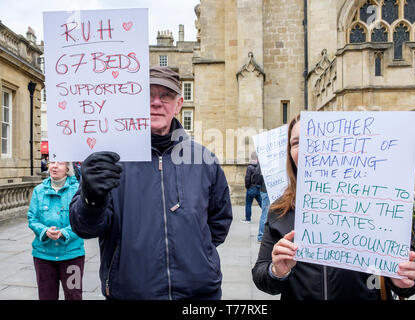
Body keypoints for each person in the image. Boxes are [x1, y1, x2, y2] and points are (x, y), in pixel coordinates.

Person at [69, 66, 233, 300]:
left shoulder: (204, 159)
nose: (156, 102)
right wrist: (91, 198)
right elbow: (83, 227)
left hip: (199, 295)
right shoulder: (113, 160)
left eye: (165, 95)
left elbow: (219, 222)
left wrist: (198, 257)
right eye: (148, 95)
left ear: (179, 104)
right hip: (131, 293)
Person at [252, 114, 415, 300]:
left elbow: (413, 274)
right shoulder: (280, 209)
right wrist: (277, 271)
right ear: (290, 153)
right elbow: (261, 275)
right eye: (296, 143)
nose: (307, 149)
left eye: (314, 140)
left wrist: (404, 279)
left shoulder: (378, 203)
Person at [28, 161, 85, 300]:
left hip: (72, 256)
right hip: (43, 256)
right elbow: (32, 218)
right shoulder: (38, 190)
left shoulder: (79, 190)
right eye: (52, 162)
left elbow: (83, 220)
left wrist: (64, 232)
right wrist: (44, 231)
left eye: (60, 163)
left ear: (67, 168)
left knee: (74, 296)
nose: (54, 166)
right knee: (46, 296)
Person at [242, 152, 262, 223]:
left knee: (248, 204)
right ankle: (268, 215)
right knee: (261, 203)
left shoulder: (249, 167)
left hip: (251, 187)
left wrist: (247, 186)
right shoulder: (260, 166)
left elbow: (247, 178)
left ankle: (248, 219)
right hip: (258, 187)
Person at [257, 175, 269, 243]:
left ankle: (261, 236)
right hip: (267, 190)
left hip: (266, 189)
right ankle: (261, 236)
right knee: (265, 214)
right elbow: (256, 175)